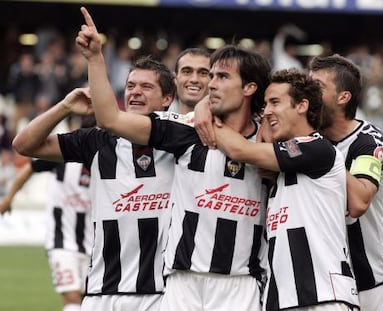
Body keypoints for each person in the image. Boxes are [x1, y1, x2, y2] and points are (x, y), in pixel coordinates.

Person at [74, 7, 270, 311]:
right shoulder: (184, 131)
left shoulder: (271, 139)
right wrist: (96, 59)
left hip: (240, 282)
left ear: (249, 87)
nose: (211, 84)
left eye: (220, 76)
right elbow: (110, 119)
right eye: (211, 76)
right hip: (181, 284)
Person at [13, 56, 176, 310]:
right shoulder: (98, 141)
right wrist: (65, 106)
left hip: (161, 295)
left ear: (167, 99)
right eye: (131, 85)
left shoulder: (184, 143)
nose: (135, 91)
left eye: (146, 86)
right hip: (102, 293)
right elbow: (24, 145)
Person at [210, 68, 359, 310]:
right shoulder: (278, 168)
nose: (267, 111)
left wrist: (208, 115)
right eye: (266, 103)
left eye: (275, 102)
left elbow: (240, 150)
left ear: (301, 106)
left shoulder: (317, 148)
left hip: (323, 296)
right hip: (283, 298)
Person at [309, 54, 383, 311]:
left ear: (343, 97)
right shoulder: (305, 133)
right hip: (319, 274)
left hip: (366, 274)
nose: (307, 93)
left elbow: (358, 201)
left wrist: (324, 153)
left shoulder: (368, 141)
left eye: (318, 87)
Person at [0, 159, 92, 311]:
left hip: (94, 244)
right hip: (62, 241)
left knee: (88, 299)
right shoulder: (61, 152)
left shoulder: (100, 154)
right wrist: (9, 198)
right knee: (72, 296)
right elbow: (30, 168)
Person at [168, 47, 210, 114]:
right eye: (187, 72)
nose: (194, 79)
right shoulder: (157, 122)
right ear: (175, 79)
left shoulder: (225, 123)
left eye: (203, 73)